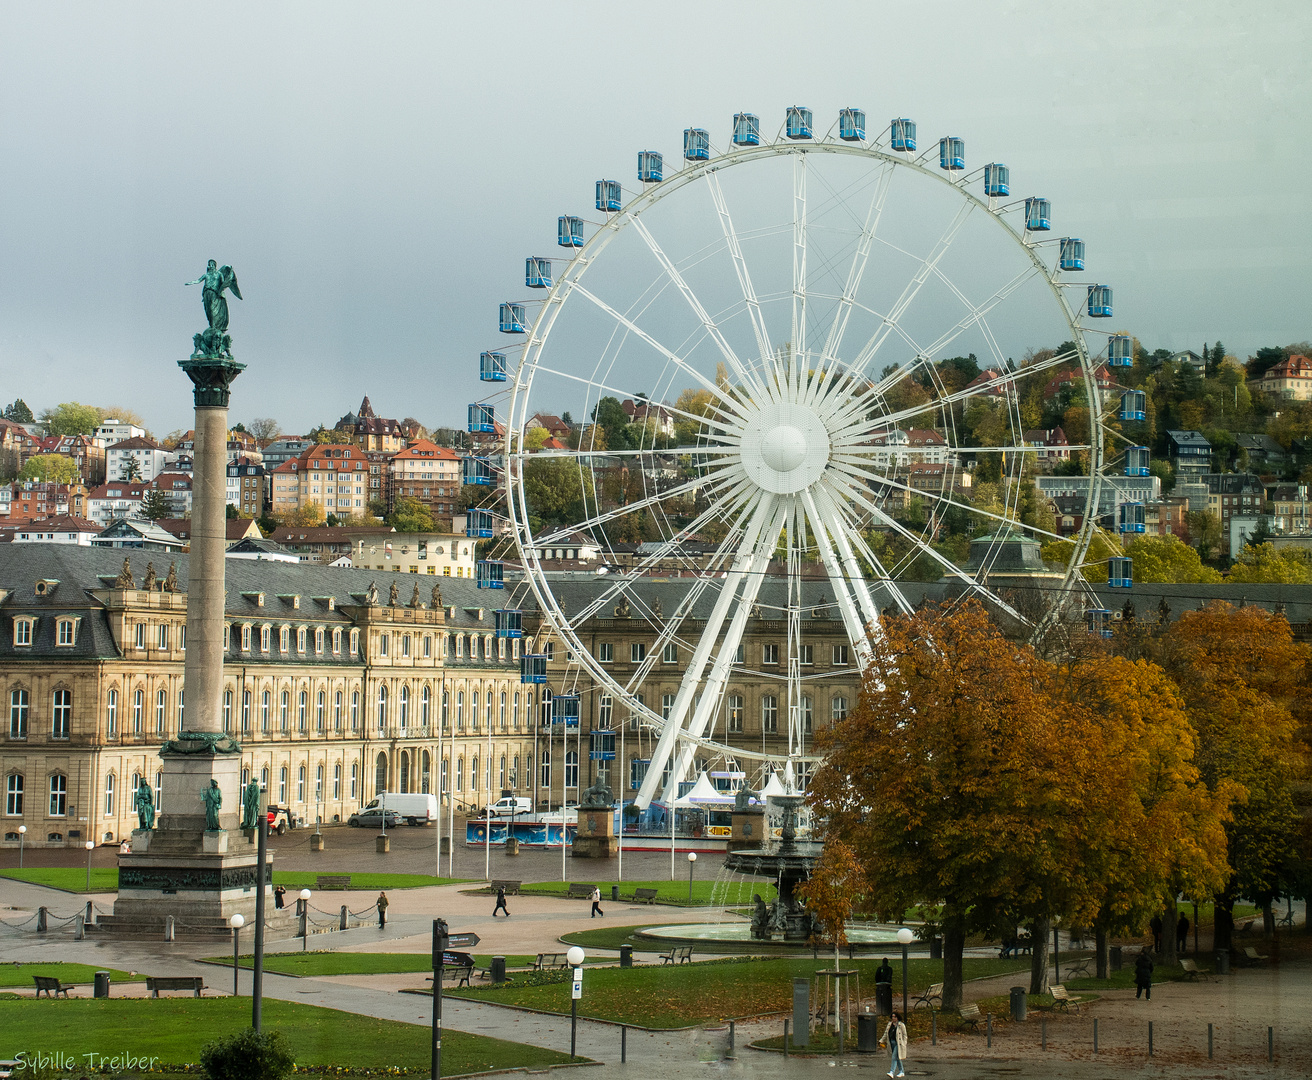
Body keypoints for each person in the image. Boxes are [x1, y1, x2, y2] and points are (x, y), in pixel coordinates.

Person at [881, 1010, 908, 1077]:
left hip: (898, 1044)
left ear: (897, 1018)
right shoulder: (889, 1024)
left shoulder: (901, 1025)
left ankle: (892, 1072)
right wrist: (881, 1040)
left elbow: (905, 1035)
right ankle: (901, 1071)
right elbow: (886, 1033)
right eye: (892, 1017)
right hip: (891, 1043)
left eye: (895, 1017)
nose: (893, 1018)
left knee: (894, 1057)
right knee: (897, 1058)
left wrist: (904, 1043)